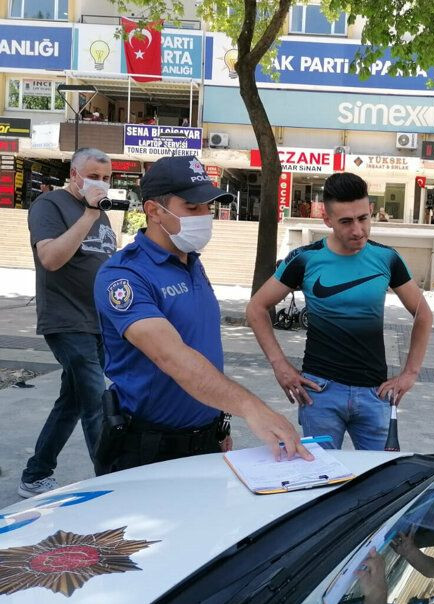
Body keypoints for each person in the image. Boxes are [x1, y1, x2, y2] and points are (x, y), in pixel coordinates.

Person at [93, 155, 310, 472]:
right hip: (147, 448)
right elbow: (173, 358)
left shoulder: (191, 262)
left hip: (206, 439)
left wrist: (218, 422)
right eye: (193, 208)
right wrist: (252, 408)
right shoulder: (123, 277)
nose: (205, 217)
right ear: (154, 211)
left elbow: (202, 347)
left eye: (208, 207)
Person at [246, 172, 432, 450]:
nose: (357, 230)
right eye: (346, 222)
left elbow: (424, 314)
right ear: (327, 220)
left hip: (374, 393)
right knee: (320, 479)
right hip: (319, 393)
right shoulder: (305, 259)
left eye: (363, 218)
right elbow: (256, 308)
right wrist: (280, 366)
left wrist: (410, 373)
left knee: (379, 481)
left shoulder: (387, 258)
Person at [18, 148, 118, 498]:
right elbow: (50, 258)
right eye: (93, 175)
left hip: (98, 321)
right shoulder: (51, 206)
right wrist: (90, 214)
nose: (100, 183)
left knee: (72, 401)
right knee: (95, 398)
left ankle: (36, 474)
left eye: (106, 178)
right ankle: (110, 479)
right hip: (65, 318)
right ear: (74, 174)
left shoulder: (100, 214)